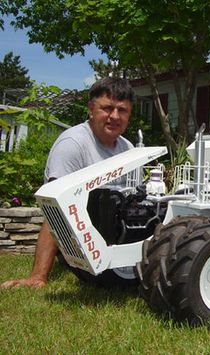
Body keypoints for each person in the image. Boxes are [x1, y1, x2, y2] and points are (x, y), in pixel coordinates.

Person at [1, 77, 135, 289]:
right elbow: (55, 209)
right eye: (107, 108)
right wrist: (38, 276)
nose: (115, 116)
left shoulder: (128, 148)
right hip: (79, 240)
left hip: (117, 232)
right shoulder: (72, 144)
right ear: (91, 109)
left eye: (122, 110)